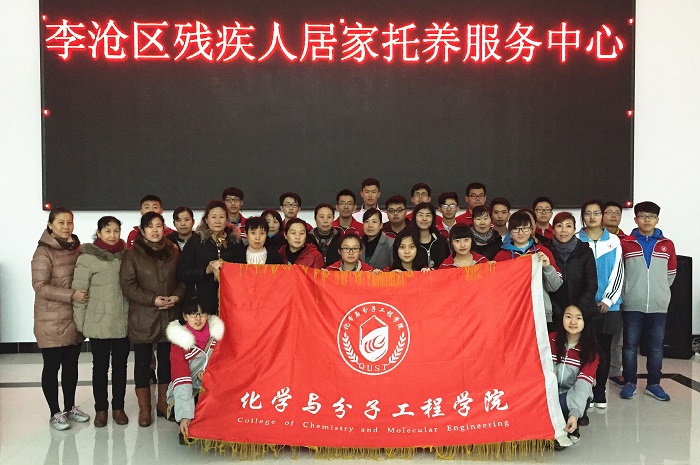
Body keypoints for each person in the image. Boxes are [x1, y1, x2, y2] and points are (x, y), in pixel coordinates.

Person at [120, 212, 184, 427]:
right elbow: (128, 285)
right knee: (142, 364)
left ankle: (163, 404)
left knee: (166, 362)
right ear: (142, 230)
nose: (155, 230)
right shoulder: (132, 254)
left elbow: (182, 280)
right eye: (150, 226)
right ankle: (144, 409)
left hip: (170, 315)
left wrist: (177, 296)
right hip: (143, 317)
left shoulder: (173, 251)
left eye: (158, 225)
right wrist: (152, 300)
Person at [32, 207, 90, 431]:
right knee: (52, 367)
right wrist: (71, 295)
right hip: (51, 320)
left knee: (71, 366)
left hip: (73, 318)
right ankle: (55, 413)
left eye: (69, 222)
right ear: (50, 225)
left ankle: (70, 407)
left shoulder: (76, 249)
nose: (66, 227)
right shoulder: (43, 252)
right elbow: (40, 286)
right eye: (61, 223)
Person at [72, 216, 129, 427]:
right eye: (108, 231)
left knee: (121, 368)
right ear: (99, 233)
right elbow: (79, 293)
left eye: (116, 231)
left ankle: (119, 408)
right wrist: (82, 324)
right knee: (100, 368)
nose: (112, 235)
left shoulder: (127, 256)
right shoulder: (87, 258)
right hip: (98, 322)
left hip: (123, 320)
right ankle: (101, 409)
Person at [620, 201, 677, 401]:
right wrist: (629, 292)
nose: (647, 220)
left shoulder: (667, 244)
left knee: (655, 347)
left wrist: (658, 292)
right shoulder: (626, 243)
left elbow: (671, 274)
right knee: (629, 346)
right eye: (643, 216)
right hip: (632, 303)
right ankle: (629, 382)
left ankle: (654, 384)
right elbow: (621, 273)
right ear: (636, 219)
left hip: (658, 305)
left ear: (657, 220)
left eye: (651, 216)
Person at [577, 199, 624, 409]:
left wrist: (607, 300)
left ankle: (599, 392)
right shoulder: (576, 240)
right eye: (588, 213)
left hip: (609, 307)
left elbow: (618, 273)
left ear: (602, 216)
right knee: (583, 350)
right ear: (582, 216)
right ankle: (584, 392)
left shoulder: (614, 241)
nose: (592, 217)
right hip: (583, 306)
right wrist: (583, 302)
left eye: (596, 213)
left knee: (604, 350)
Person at [166, 298, 224, 444]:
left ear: (208, 315)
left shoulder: (217, 336)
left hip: (213, 385)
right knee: (190, 408)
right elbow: (182, 380)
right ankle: (186, 426)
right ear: (185, 316)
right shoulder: (179, 342)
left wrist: (209, 376)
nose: (198, 319)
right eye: (193, 314)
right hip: (189, 389)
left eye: (202, 313)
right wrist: (184, 416)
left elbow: (225, 365)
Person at [494, 211, 562, 324]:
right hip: (512, 314)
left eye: (525, 228)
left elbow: (555, 287)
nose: (521, 232)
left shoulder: (543, 252)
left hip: (541, 312)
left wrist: (547, 268)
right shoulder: (501, 256)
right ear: (510, 231)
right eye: (516, 229)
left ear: (531, 230)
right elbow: (497, 289)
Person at [178, 200, 244, 315]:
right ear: (206, 219)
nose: (217, 221)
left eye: (221, 217)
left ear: (227, 219)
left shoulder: (235, 241)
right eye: (213, 217)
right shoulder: (196, 241)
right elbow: (182, 272)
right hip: (201, 301)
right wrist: (206, 270)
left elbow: (242, 269)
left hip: (230, 300)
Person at [550, 305, 600, 448]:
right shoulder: (550, 340)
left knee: (562, 403)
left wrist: (574, 413)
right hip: (550, 394)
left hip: (571, 397)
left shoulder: (591, 351)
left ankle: (571, 421)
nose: (573, 322)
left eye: (578, 318)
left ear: (586, 321)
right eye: (568, 316)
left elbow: (583, 385)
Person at [548, 212, 598, 328]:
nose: (564, 230)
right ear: (553, 230)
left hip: (582, 312)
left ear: (575, 230)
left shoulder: (585, 251)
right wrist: (559, 311)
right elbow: (544, 286)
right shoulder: (546, 251)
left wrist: (577, 310)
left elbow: (592, 284)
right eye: (559, 226)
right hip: (555, 314)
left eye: (568, 226)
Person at [602, 201, 626, 387]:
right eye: (609, 212)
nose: (613, 216)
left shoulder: (627, 240)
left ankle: (615, 371)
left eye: (617, 213)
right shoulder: (593, 238)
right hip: (598, 296)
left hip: (620, 295)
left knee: (617, 338)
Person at [411, 202, 450, 269]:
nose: (424, 219)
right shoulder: (408, 240)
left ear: (433, 218)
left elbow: (447, 266)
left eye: (428, 215)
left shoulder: (441, 241)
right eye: (420, 215)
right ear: (415, 217)